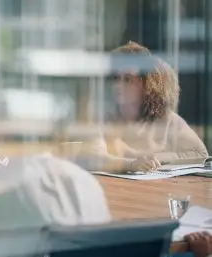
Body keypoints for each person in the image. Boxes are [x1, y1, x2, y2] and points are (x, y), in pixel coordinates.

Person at [79, 41, 208, 173]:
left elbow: (200, 154)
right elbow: (95, 158)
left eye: (128, 79)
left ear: (148, 85)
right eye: (116, 78)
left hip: (154, 190)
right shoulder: (100, 117)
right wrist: (132, 164)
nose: (118, 85)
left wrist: (158, 158)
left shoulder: (167, 119)